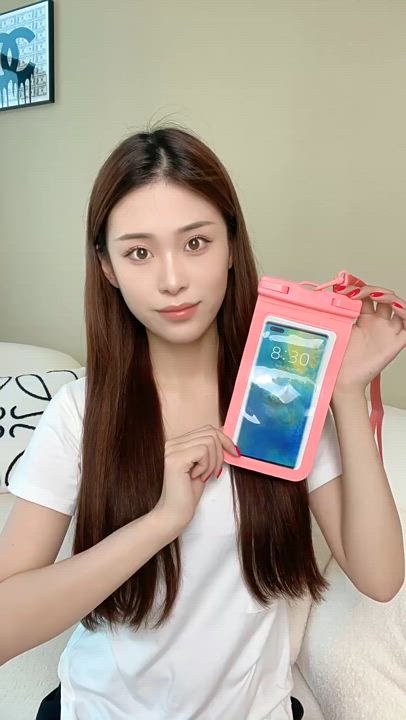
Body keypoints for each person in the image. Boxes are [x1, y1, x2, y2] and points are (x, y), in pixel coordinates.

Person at [4, 124, 405, 719]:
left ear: (231, 245)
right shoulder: (82, 410)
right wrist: (163, 521)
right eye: (139, 253)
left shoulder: (282, 396)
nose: (173, 280)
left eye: (196, 243)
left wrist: (343, 391)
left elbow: (379, 577)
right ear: (107, 267)